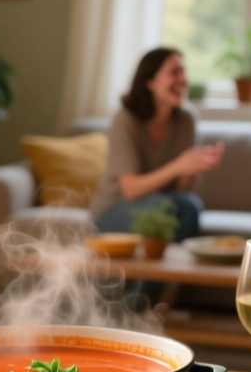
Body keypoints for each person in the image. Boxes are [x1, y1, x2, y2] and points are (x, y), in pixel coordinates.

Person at [92, 47, 225, 240]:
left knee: (191, 205)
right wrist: (178, 166)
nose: (183, 80)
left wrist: (195, 165)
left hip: (162, 204)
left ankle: (174, 260)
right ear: (149, 82)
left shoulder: (186, 119)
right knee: (161, 208)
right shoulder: (126, 119)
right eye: (174, 73)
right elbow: (130, 191)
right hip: (114, 208)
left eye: (183, 72)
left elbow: (181, 190)